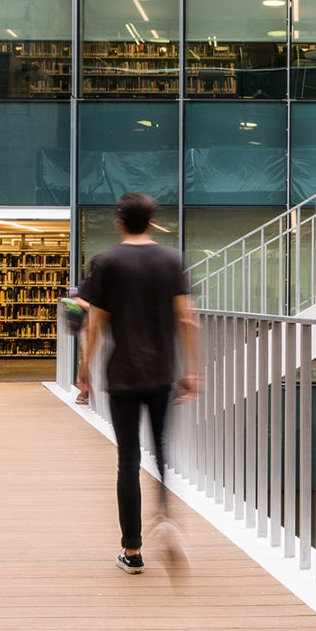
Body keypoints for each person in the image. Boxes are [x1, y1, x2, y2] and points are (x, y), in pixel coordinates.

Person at [76, 192, 203, 574]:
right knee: (161, 449)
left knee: (128, 459)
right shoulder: (171, 260)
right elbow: (186, 320)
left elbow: (96, 324)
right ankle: (165, 515)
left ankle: (132, 550)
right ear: (150, 222)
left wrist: (85, 372)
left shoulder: (106, 262)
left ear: (119, 222)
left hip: (122, 374)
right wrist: (191, 370)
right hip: (162, 372)